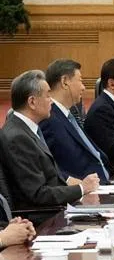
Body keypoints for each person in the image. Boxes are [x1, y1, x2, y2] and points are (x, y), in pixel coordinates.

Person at [0, 70, 98, 218]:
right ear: (32, 102)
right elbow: (38, 194)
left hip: (55, 209)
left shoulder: (28, 129)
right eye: (47, 96)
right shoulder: (17, 137)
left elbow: (50, 178)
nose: (51, 100)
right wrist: (81, 188)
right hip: (42, 219)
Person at [38, 59, 111, 183]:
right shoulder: (47, 119)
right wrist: (70, 181)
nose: (83, 87)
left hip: (105, 183)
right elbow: (43, 165)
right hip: (83, 193)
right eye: (81, 81)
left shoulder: (69, 114)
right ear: (65, 82)